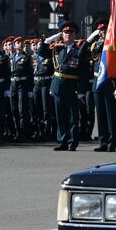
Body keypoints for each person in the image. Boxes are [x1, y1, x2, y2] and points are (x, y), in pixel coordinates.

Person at [49, 22, 88, 151]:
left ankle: (73, 142)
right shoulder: (57, 48)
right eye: (65, 33)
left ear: (74, 34)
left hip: (72, 86)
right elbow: (41, 51)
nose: (67, 35)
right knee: (60, 116)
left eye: (70, 32)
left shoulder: (79, 50)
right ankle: (62, 141)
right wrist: (52, 38)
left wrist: (82, 90)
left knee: (73, 116)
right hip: (58, 86)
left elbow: (84, 72)